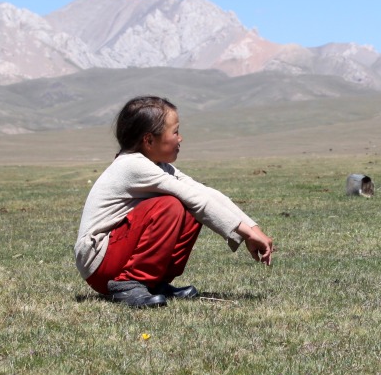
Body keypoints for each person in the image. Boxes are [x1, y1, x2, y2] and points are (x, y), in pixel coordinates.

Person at [75, 96, 274, 307]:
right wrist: (248, 233)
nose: (180, 139)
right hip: (98, 263)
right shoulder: (132, 165)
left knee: (187, 209)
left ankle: (153, 283)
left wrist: (252, 227)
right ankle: (129, 284)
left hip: (113, 257)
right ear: (149, 140)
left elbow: (204, 193)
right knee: (170, 206)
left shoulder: (157, 166)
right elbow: (197, 200)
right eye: (175, 132)